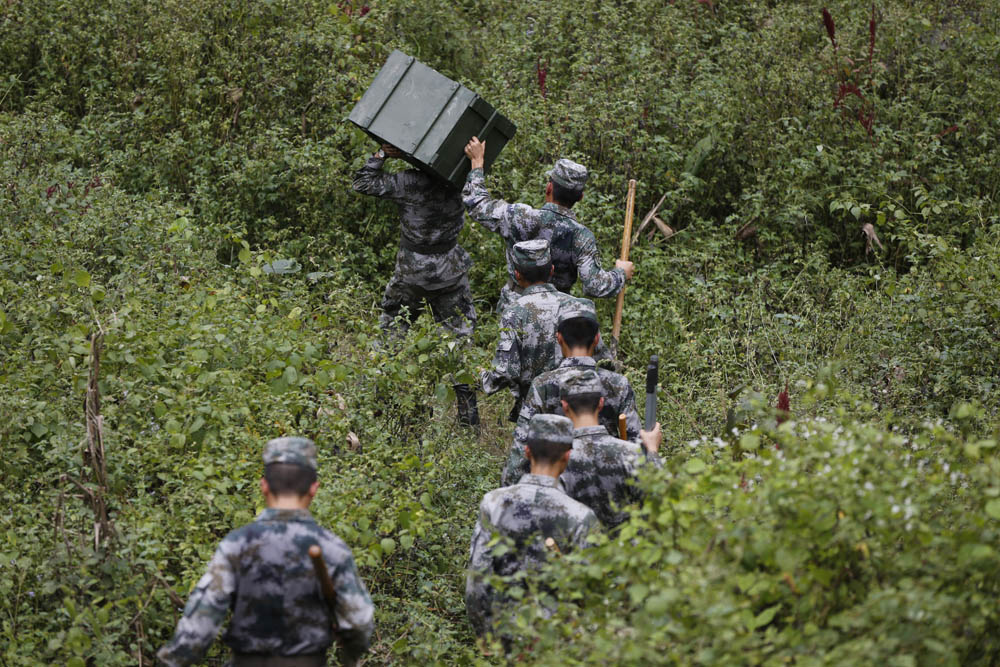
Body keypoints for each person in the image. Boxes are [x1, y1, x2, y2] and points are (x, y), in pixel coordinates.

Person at [157, 437, 374, 667]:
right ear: (314, 488)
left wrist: (169, 661)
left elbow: (198, 628)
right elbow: (359, 624)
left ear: (264, 486)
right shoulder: (332, 548)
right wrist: (349, 654)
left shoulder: (237, 544)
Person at [352, 143, 479, 427]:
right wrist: (477, 163)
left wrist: (382, 154)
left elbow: (362, 182)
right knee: (460, 340)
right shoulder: (462, 179)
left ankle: (367, 405)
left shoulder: (409, 181)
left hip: (411, 274)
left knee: (391, 332)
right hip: (450, 272)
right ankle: (469, 419)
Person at [462, 137, 634, 313]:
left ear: (549, 188)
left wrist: (477, 162)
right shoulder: (582, 236)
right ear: (580, 198)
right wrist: (621, 272)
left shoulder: (521, 216)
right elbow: (595, 286)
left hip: (514, 310)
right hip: (555, 315)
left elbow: (478, 205)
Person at [465, 414, 600, 638]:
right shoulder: (581, 516)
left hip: (505, 635)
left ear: (527, 452)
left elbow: (477, 580)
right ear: (567, 457)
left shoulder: (494, 503)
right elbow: (589, 593)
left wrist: (484, 633)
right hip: (555, 641)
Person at [503, 298, 640, 486]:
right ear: (597, 339)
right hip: (610, 483)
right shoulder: (618, 384)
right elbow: (636, 444)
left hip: (558, 484)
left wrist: (511, 489)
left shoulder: (542, 385)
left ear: (559, 338)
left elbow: (521, 449)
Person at [480, 239, 581, 421]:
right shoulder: (578, 306)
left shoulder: (514, 313)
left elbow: (506, 371)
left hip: (534, 409)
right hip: (578, 404)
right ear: (552, 270)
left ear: (517, 275)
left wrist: (482, 378)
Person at [557, 370, 663, 529]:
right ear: (601, 403)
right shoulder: (631, 453)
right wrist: (652, 451)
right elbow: (660, 499)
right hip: (626, 543)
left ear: (565, 405)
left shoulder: (556, 459)